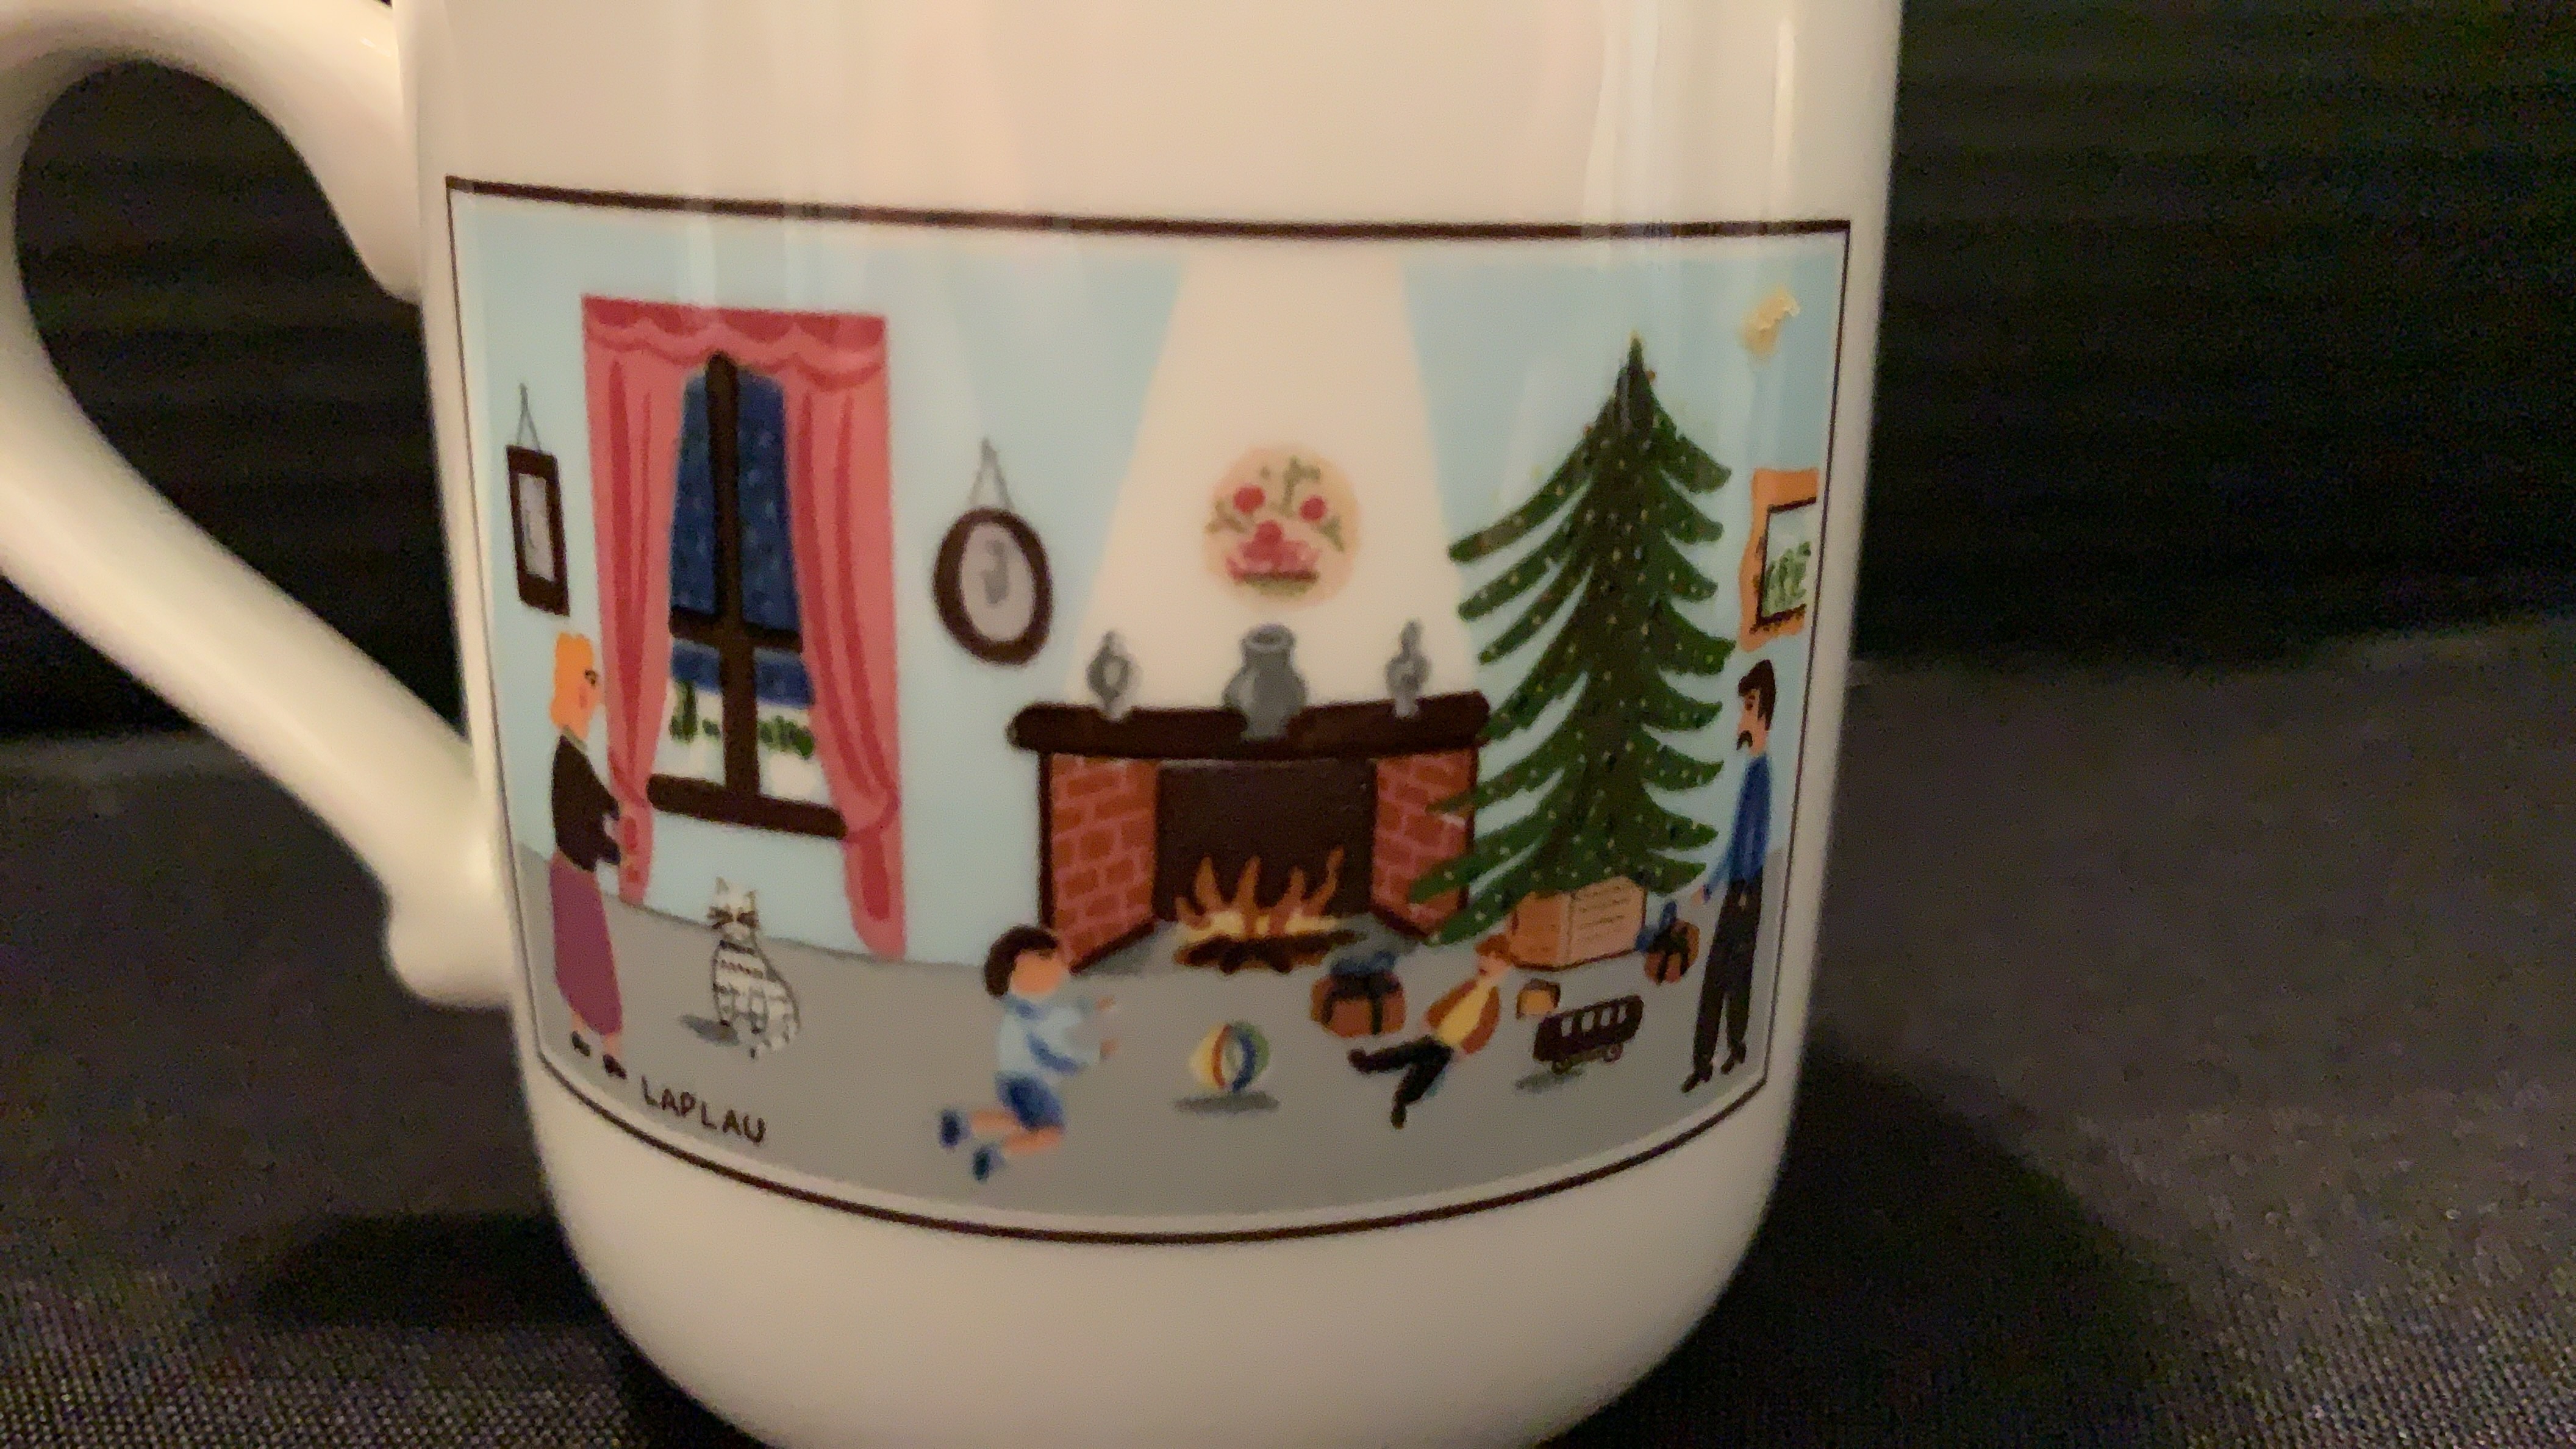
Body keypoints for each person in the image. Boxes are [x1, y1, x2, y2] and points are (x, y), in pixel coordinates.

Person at [940, 926, 1116, 1182]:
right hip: (1031, 1085)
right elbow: (1054, 1058)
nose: (1060, 966)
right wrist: (1096, 1055)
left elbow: (1063, 1015)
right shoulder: (1033, 1018)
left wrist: (1092, 1008)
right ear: (1016, 971)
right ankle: (997, 1154)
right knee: (1051, 1133)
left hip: (1011, 1082)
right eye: (1047, 959)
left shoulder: (1028, 1007)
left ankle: (964, 1123)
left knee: (1019, 1119)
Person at [1686, 659, 1776, 1092]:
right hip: (1739, 886)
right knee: (1726, 972)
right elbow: (1737, 842)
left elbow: (1754, 840)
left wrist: (1741, 887)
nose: (1742, 716)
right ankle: (1709, 1058)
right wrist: (1713, 883)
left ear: (1764, 714)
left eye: (1749, 706)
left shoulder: (1762, 775)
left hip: (1747, 889)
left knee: (1731, 971)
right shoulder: (1753, 771)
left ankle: (1733, 1048)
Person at [548, 633, 626, 1078]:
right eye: (590, 679)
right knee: (591, 959)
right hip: (575, 870)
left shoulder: (572, 753)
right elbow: (578, 821)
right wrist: (617, 854)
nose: (595, 692)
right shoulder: (569, 758)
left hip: (571, 868)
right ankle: (610, 1047)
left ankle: (580, 1031)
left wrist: (613, 807)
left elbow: (591, 795)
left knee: (578, 954)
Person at [1348, 937, 1510, 1129]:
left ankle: (1402, 1102)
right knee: (1406, 1052)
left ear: (1505, 967)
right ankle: (1370, 1063)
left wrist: (1466, 1049)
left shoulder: (1493, 1001)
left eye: (1495, 959)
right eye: (1483, 957)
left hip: (1450, 1048)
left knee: (1425, 1075)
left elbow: (1485, 1030)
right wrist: (1430, 1020)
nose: (1485, 963)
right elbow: (1446, 1003)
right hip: (1436, 1036)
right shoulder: (1468, 986)